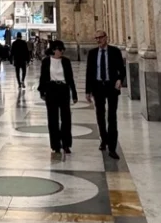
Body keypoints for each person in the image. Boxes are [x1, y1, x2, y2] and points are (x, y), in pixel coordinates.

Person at [85, 31, 126, 160]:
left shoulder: (115, 51)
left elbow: (122, 69)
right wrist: (88, 91)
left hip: (111, 86)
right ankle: (104, 139)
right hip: (98, 87)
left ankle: (112, 148)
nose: (98, 40)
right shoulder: (92, 53)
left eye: (100, 37)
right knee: (100, 115)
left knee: (112, 116)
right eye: (96, 38)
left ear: (106, 38)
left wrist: (120, 79)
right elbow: (89, 73)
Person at [38, 39, 77, 159]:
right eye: (59, 49)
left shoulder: (66, 61)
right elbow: (43, 77)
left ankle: (66, 144)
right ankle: (55, 144)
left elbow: (70, 78)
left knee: (66, 118)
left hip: (63, 90)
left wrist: (74, 94)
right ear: (54, 50)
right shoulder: (46, 61)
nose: (61, 52)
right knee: (53, 119)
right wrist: (42, 91)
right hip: (51, 90)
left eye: (62, 49)